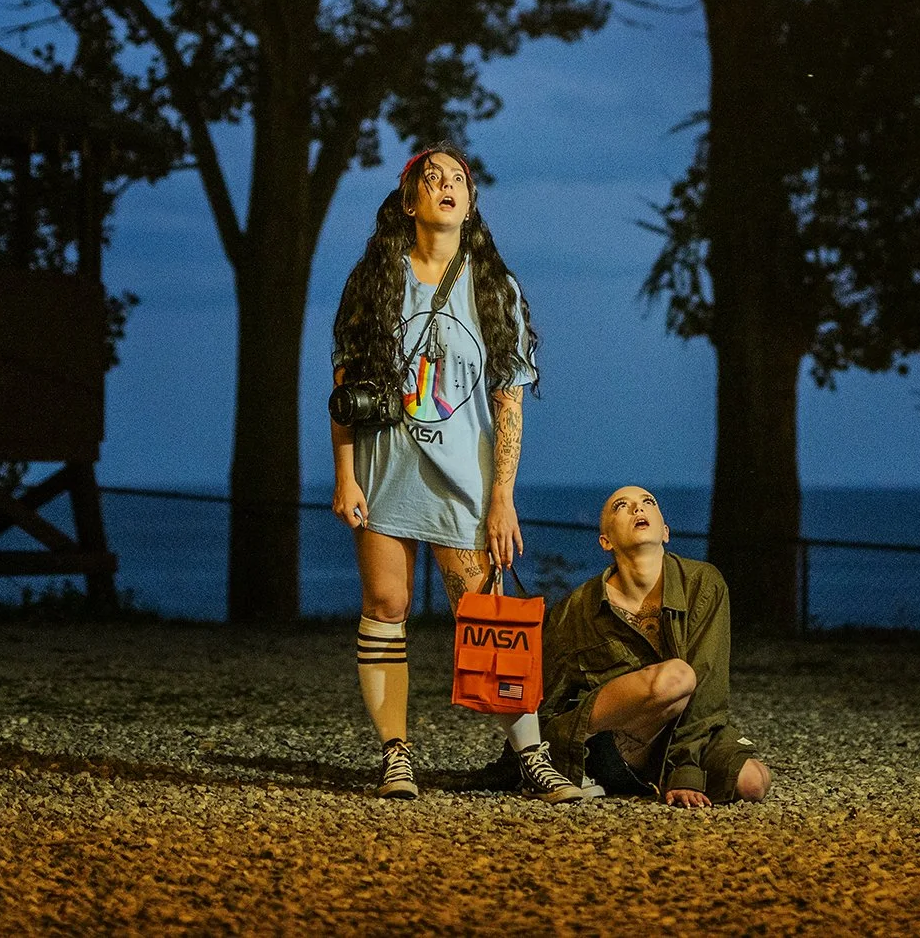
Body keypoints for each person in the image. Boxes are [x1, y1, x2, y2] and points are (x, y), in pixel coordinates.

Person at [328, 144, 595, 802]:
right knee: (385, 608)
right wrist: (345, 474)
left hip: (465, 483)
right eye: (432, 178)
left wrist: (503, 498)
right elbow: (344, 382)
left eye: (458, 180)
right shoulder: (375, 279)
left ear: (470, 205)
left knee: (487, 615)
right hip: (385, 468)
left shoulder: (493, 287)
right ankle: (396, 756)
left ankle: (532, 760)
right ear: (409, 202)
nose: (446, 185)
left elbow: (508, 399)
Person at [540, 486, 772, 807]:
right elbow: (544, 698)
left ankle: (664, 775)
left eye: (648, 502)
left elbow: (707, 684)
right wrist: (527, 762)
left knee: (754, 782)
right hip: (611, 749)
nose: (638, 509)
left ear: (665, 532)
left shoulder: (703, 582)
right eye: (622, 506)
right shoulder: (578, 607)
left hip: (684, 735)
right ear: (606, 540)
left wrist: (684, 767)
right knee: (677, 676)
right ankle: (637, 774)